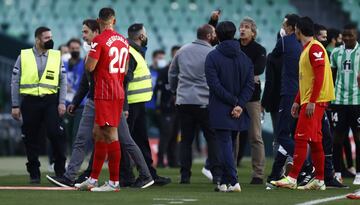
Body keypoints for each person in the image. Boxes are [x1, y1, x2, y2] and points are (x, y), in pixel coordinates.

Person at [46, 19, 154, 189]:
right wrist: (76, 101)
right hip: (97, 98)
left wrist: (124, 106)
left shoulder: (101, 46)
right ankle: (80, 177)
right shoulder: (102, 47)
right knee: (95, 137)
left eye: (86, 32)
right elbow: (87, 81)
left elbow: (121, 78)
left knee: (116, 139)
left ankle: (126, 179)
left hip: (106, 98)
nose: (83, 36)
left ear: (96, 32)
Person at [271, 16, 335, 190]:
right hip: (310, 99)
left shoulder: (314, 48)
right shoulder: (307, 48)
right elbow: (307, 79)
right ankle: (320, 180)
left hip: (316, 101)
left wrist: (312, 101)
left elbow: (320, 76)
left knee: (300, 137)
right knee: (315, 141)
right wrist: (297, 101)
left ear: (298, 30)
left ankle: (292, 178)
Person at [74, 8, 128, 192]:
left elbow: (90, 67)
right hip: (117, 89)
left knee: (111, 134)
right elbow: (126, 68)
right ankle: (93, 179)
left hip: (105, 92)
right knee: (98, 133)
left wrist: (90, 57)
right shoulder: (123, 41)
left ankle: (114, 182)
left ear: (98, 21)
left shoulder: (99, 40)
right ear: (114, 19)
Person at [11, 26, 67, 184]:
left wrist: (61, 102)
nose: (51, 40)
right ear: (37, 40)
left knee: (55, 134)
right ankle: (34, 173)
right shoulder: (24, 56)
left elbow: (63, 80)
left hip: (50, 101)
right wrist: (15, 105)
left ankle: (60, 171)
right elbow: (14, 81)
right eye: (47, 38)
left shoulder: (56, 56)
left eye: (51, 37)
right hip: (29, 102)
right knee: (30, 138)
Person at [168, 24, 221, 184]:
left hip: (184, 101)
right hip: (204, 101)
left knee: (186, 140)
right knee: (212, 139)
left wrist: (174, 90)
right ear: (209, 36)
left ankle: (185, 176)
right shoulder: (213, 53)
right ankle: (217, 174)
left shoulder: (182, 50)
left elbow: (172, 73)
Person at [205, 21, 254, 192]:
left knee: (225, 144)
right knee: (230, 144)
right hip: (238, 109)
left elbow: (214, 85)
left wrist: (234, 102)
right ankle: (225, 182)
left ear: (217, 35)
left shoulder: (212, 56)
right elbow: (250, 85)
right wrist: (239, 104)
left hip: (220, 107)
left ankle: (233, 180)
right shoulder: (245, 58)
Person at [124, 23, 171, 186]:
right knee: (126, 141)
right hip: (130, 105)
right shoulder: (130, 53)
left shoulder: (136, 52)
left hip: (138, 104)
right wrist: (124, 107)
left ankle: (149, 174)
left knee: (141, 140)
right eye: (145, 33)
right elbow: (124, 81)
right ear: (141, 36)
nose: (147, 36)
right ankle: (127, 176)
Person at [330, 23, 360, 185]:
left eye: (351, 35)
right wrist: (330, 98)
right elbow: (332, 76)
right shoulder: (335, 53)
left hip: (357, 102)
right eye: (345, 35)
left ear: (356, 36)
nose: (347, 38)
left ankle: (359, 174)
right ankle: (338, 173)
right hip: (339, 102)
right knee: (337, 139)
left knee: (358, 138)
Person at [156, 45, 181, 168]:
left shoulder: (184, 69)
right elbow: (158, 90)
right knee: (166, 135)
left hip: (179, 109)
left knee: (175, 135)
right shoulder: (164, 71)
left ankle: (173, 160)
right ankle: (160, 160)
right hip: (167, 109)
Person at [261, 32, 283, 157]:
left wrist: (263, 104)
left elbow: (270, 83)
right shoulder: (298, 54)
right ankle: (297, 169)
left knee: (278, 138)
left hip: (276, 102)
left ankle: (278, 170)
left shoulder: (273, 57)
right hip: (294, 101)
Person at [63, 38, 85, 153]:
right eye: (72, 48)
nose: (75, 50)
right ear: (68, 49)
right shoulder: (63, 64)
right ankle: (67, 155)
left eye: (77, 48)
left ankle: (75, 157)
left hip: (80, 103)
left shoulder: (84, 63)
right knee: (67, 132)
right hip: (66, 103)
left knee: (77, 133)